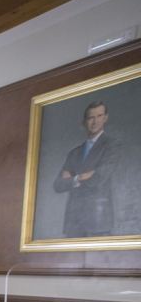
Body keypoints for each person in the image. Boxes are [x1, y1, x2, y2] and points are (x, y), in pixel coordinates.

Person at [52, 101, 119, 238]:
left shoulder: (112, 145)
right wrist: (81, 177)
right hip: (73, 221)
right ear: (84, 122)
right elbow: (58, 185)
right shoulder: (74, 153)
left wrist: (72, 179)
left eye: (99, 116)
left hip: (98, 220)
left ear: (105, 118)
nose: (95, 121)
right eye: (90, 118)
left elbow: (99, 178)